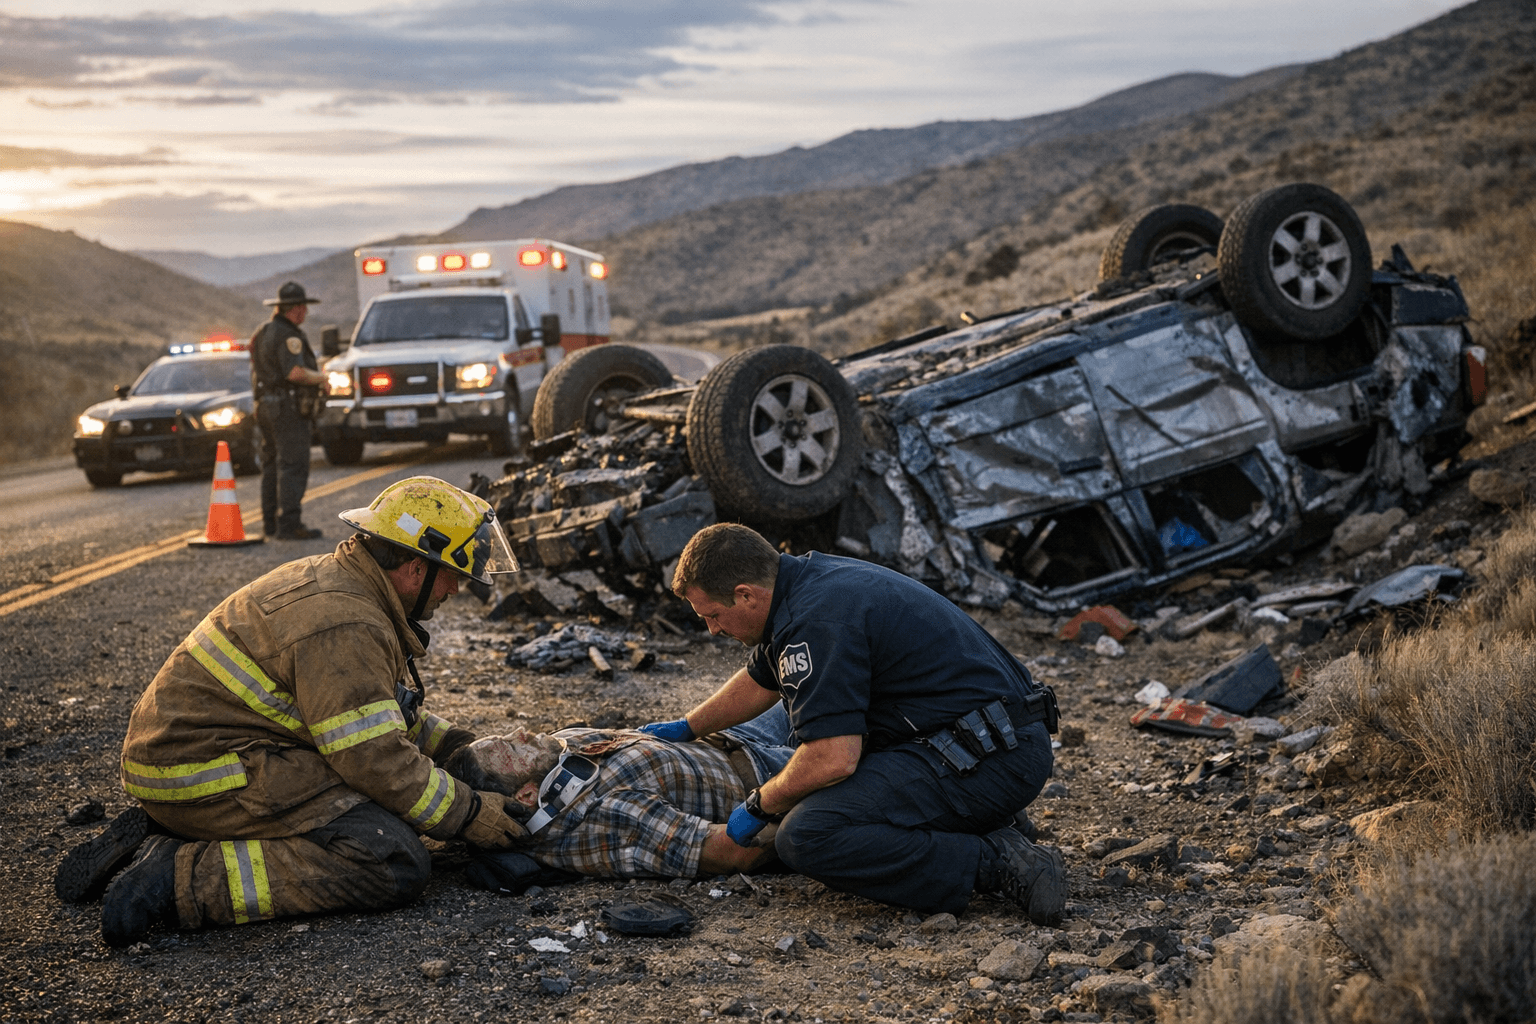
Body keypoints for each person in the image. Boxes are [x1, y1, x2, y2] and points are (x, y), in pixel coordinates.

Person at [56, 476, 526, 947]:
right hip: (201, 773)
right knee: (391, 856)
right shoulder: (346, 622)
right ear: (415, 567)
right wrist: (467, 815)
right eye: (454, 573)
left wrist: (461, 746)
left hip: (205, 758)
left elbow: (379, 719)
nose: (458, 589)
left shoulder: (348, 586)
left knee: (399, 800)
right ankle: (177, 876)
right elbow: (375, 758)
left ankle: (170, 831)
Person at [638, 523, 1067, 924]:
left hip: (995, 757)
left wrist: (759, 804)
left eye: (712, 615)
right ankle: (991, 821)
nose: (712, 630)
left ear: (746, 595)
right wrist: (689, 726)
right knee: (806, 725)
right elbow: (761, 680)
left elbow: (833, 759)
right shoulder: (804, 583)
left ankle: (999, 861)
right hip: (985, 740)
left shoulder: (816, 619)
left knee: (808, 834)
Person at [444, 706, 799, 882]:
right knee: (844, 746)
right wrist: (794, 815)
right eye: (511, 748)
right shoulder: (602, 819)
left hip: (729, 735)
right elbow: (729, 853)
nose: (520, 731)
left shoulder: (552, 762)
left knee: (831, 674)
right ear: (526, 796)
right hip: (767, 774)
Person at [251, 280, 327, 540]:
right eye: (303, 308)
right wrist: (322, 379)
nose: (305, 313)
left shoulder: (262, 332)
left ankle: (270, 523)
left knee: (271, 465)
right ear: (295, 309)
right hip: (286, 407)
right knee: (293, 465)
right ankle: (290, 524)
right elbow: (295, 372)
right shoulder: (289, 335)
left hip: (265, 405)